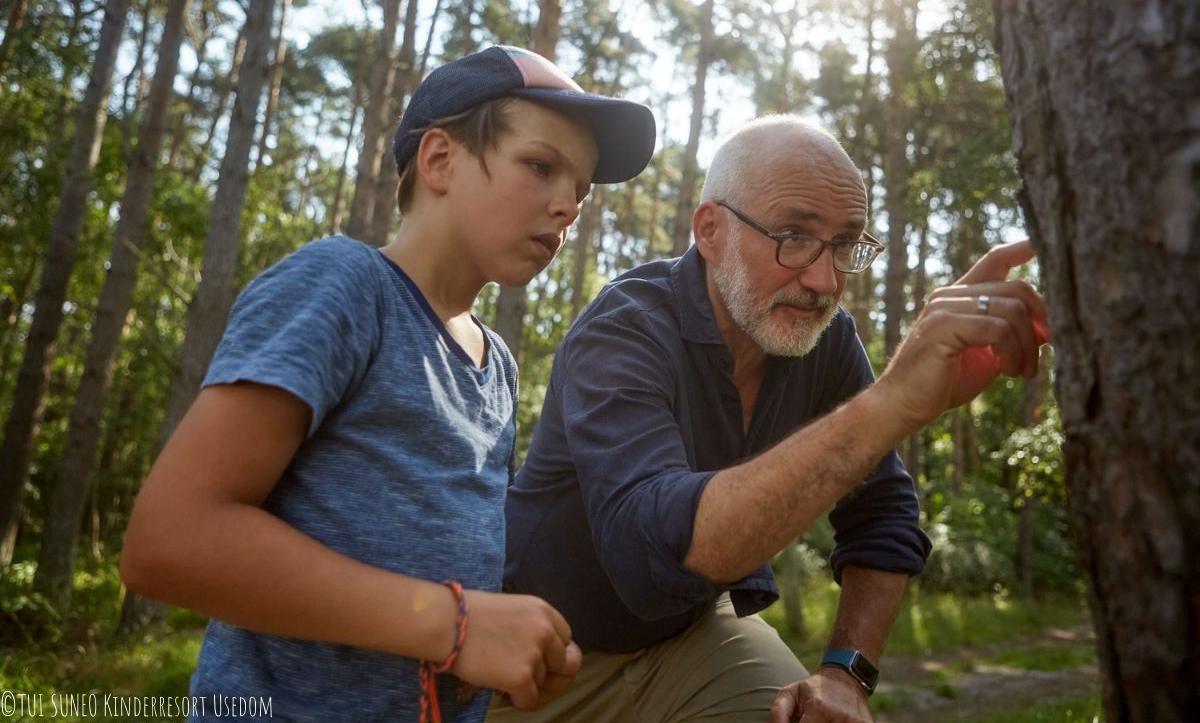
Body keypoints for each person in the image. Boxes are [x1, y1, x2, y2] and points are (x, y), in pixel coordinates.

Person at [119, 45, 656, 723]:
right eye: (542, 167)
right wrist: (454, 625)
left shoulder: (498, 366)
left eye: (579, 191)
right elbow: (169, 541)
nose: (566, 207)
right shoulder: (344, 286)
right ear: (439, 160)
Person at [492, 116, 1049, 723]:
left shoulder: (826, 339)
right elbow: (648, 554)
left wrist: (846, 673)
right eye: (793, 235)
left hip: (694, 636)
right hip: (540, 649)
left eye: (845, 244)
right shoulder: (625, 328)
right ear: (710, 230)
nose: (824, 279)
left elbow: (882, 510)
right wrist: (891, 404)